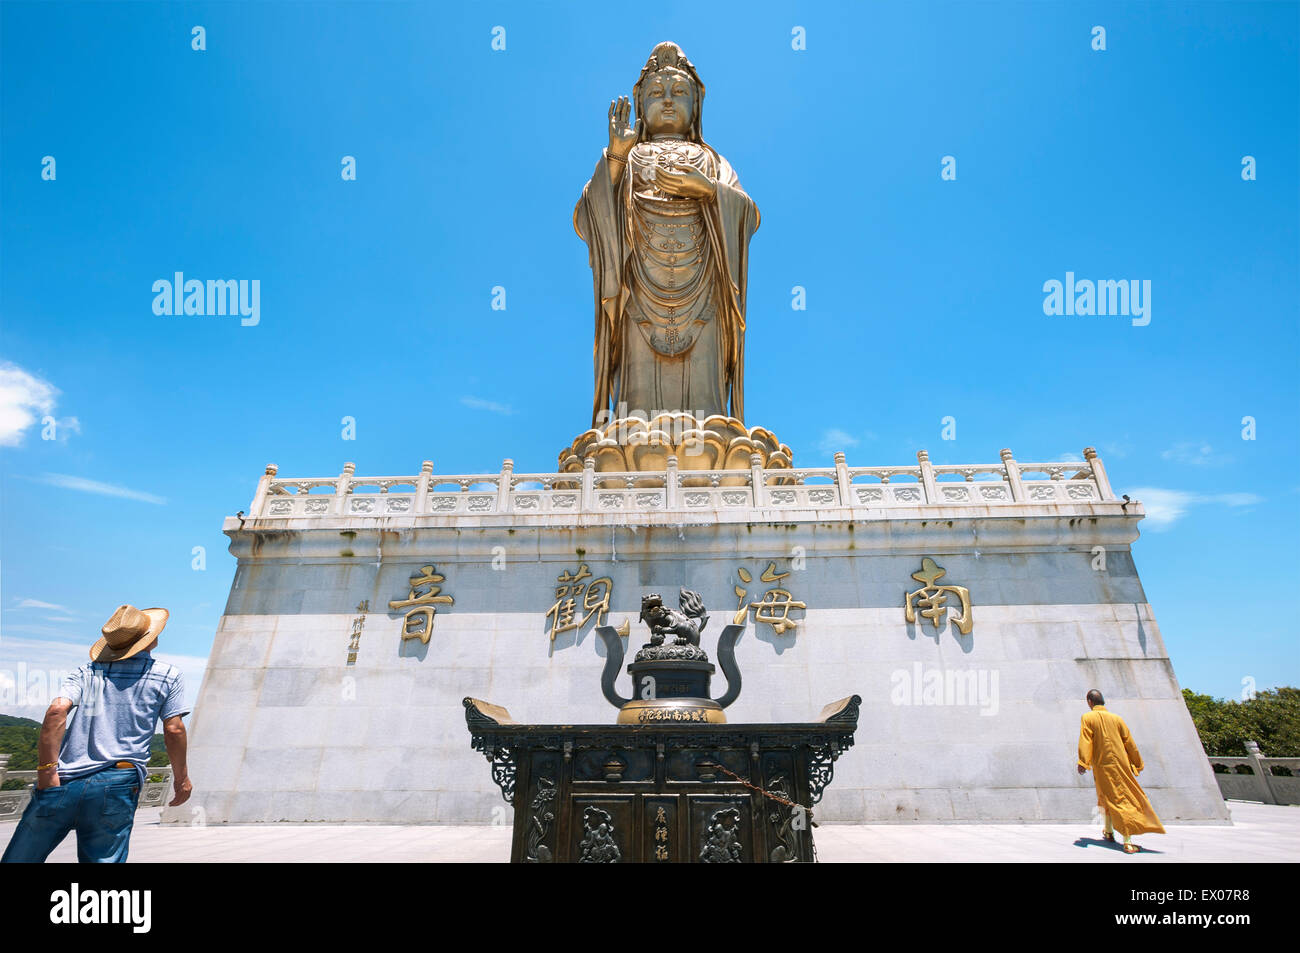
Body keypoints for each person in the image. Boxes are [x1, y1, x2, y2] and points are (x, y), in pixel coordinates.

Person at [1, 604, 192, 863]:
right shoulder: (168, 676)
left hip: (63, 781)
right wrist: (181, 779)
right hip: (118, 781)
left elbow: (57, 710)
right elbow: (173, 729)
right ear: (151, 639)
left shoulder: (87, 672)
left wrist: (47, 772)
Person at [1076, 689, 1164, 853]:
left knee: (1116, 798)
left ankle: (1128, 841)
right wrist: (1137, 763)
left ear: (1089, 702)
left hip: (1102, 765)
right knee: (1112, 797)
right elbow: (1129, 743)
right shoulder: (1117, 719)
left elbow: (1086, 740)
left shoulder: (1087, 717)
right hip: (1120, 764)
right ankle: (1109, 831)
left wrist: (1083, 762)